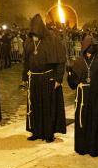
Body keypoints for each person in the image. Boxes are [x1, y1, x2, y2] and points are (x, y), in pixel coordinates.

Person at [67, 35, 98, 156]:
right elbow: (73, 83)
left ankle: (97, 148)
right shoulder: (78, 61)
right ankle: (83, 147)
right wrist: (69, 72)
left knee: (97, 121)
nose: (89, 52)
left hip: (97, 97)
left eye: (91, 48)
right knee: (83, 121)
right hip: (83, 97)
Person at [22, 14, 66, 142]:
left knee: (48, 107)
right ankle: (36, 131)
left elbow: (60, 61)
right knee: (34, 105)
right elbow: (26, 61)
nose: (34, 37)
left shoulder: (51, 40)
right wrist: (24, 77)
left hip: (47, 79)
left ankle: (48, 133)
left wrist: (58, 79)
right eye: (32, 34)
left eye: (36, 34)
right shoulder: (29, 42)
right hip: (34, 79)